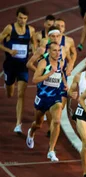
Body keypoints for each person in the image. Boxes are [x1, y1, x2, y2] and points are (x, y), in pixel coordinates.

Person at [0, 6, 37, 135]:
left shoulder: (30, 30)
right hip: (10, 65)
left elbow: (34, 46)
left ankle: (18, 124)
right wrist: (9, 51)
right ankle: (7, 84)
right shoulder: (10, 28)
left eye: (25, 18)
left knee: (21, 94)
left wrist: (33, 50)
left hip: (23, 66)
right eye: (20, 18)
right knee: (10, 93)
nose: (22, 20)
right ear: (17, 17)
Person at [25, 41, 64, 162]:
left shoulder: (61, 62)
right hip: (42, 98)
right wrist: (48, 74)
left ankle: (51, 150)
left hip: (55, 97)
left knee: (56, 121)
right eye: (54, 50)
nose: (57, 53)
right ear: (48, 51)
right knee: (38, 124)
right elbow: (35, 80)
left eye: (59, 50)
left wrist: (65, 85)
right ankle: (31, 132)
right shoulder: (43, 63)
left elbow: (61, 75)